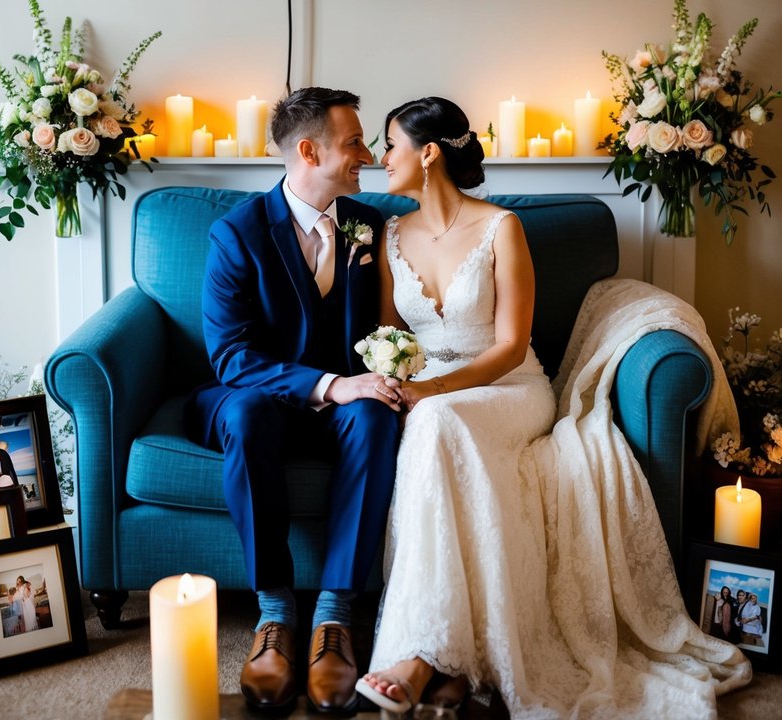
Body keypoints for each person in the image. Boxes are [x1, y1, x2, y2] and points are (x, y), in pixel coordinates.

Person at [356, 95, 749, 719]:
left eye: (390, 145)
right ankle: (448, 654)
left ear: (428, 153)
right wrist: (390, 380)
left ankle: (420, 656)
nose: (381, 158)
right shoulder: (390, 233)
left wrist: (429, 391)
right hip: (429, 392)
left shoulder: (499, 228)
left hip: (510, 389)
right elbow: (388, 339)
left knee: (433, 419)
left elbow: (513, 346)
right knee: (429, 425)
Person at [185, 87, 401, 714]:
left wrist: (375, 378)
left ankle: (334, 617)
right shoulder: (238, 233)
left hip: (343, 406)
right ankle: (275, 615)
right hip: (254, 398)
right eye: (355, 142)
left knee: (375, 410)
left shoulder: (369, 224)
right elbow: (231, 358)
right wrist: (330, 384)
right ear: (310, 150)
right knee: (249, 414)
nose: (368, 154)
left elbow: (389, 328)